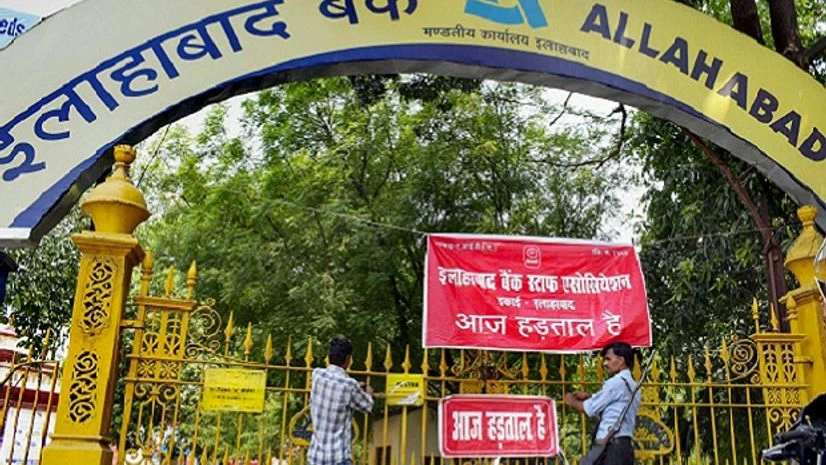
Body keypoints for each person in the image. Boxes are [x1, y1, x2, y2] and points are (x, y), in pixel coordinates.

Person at [564, 342, 640, 465]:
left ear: (621, 360)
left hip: (612, 446)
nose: (605, 364)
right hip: (624, 446)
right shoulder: (633, 385)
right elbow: (614, 405)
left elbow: (589, 408)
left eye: (608, 359)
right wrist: (590, 396)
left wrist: (571, 401)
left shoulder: (616, 383)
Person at [308, 337, 374, 465]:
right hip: (338, 457)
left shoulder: (317, 375)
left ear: (329, 356)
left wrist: (355, 387)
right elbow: (368, 406)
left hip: (315, 456)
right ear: (348, 359)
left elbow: (333, 386)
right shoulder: (349, 386)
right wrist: (368, 392)